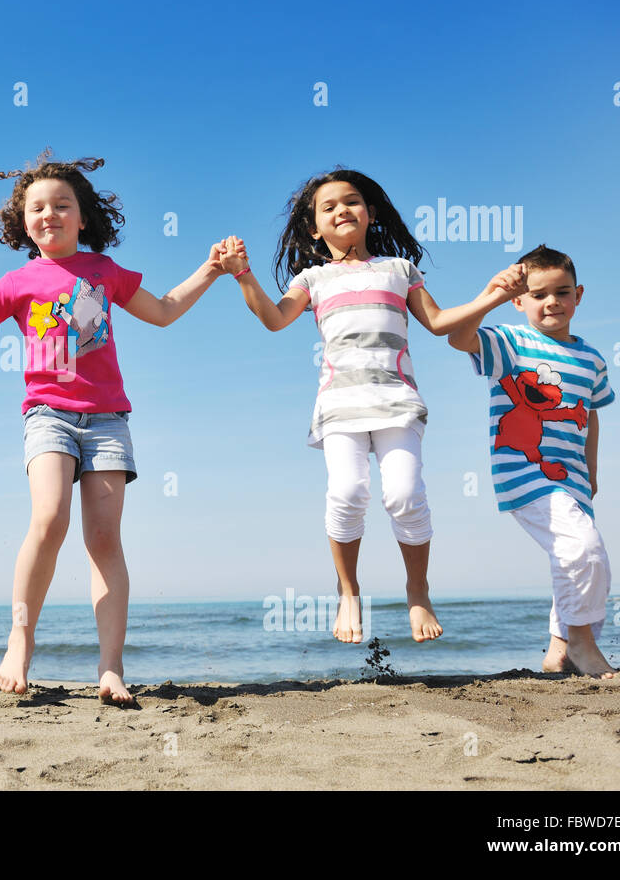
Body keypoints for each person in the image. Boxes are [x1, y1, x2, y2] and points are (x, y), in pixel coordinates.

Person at [0, 151, 226, 703]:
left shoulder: (105, 272)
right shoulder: (18, 281)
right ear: (22, 221)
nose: (48, 215)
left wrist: (211, 269)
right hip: (48, 415)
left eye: (61, 205)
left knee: (103, 539)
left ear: (82, 217)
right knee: (49, 518)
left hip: (107, 421)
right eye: (37, 208)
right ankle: (20, 642)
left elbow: (166, 310)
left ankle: (109, 667)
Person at [215, 169, 523, 644]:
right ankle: (348, 590)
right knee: (348, 492)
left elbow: (439, 323)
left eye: (352, 201)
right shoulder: (313, 278)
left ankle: (417, 590)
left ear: (370, 213)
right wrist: (243, 276)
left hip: (397, 401)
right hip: (340, 405)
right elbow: (275, 319)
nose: (342, 210)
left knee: (403, 494)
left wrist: (491, 297)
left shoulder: (400, 270)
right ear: (314, 227)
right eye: (329, 206)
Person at [447, 245, 617, 678]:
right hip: (524, 471)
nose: (551, 302)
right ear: (520, 301)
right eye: (538, 294)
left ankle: (559, 649)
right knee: (583, 549)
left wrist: (592, 470)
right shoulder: (509, 341)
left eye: (562, 292)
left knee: (580, 558)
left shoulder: (592, 359)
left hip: (572, 477)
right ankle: (582, 642)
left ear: (579, 295)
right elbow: (458, 337)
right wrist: (493, 294)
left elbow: (589, 416)